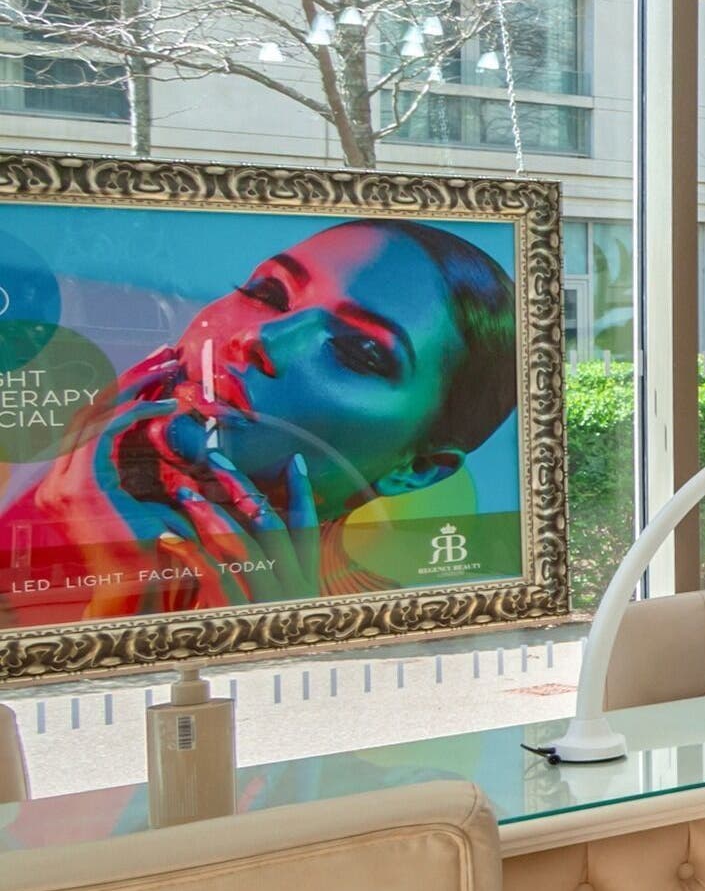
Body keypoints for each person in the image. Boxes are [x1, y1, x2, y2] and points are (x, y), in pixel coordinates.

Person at [0, 218, 516, 620]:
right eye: (267, 294)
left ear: (420, 466)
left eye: (359, 351)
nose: (261, 340)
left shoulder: (409, 632)